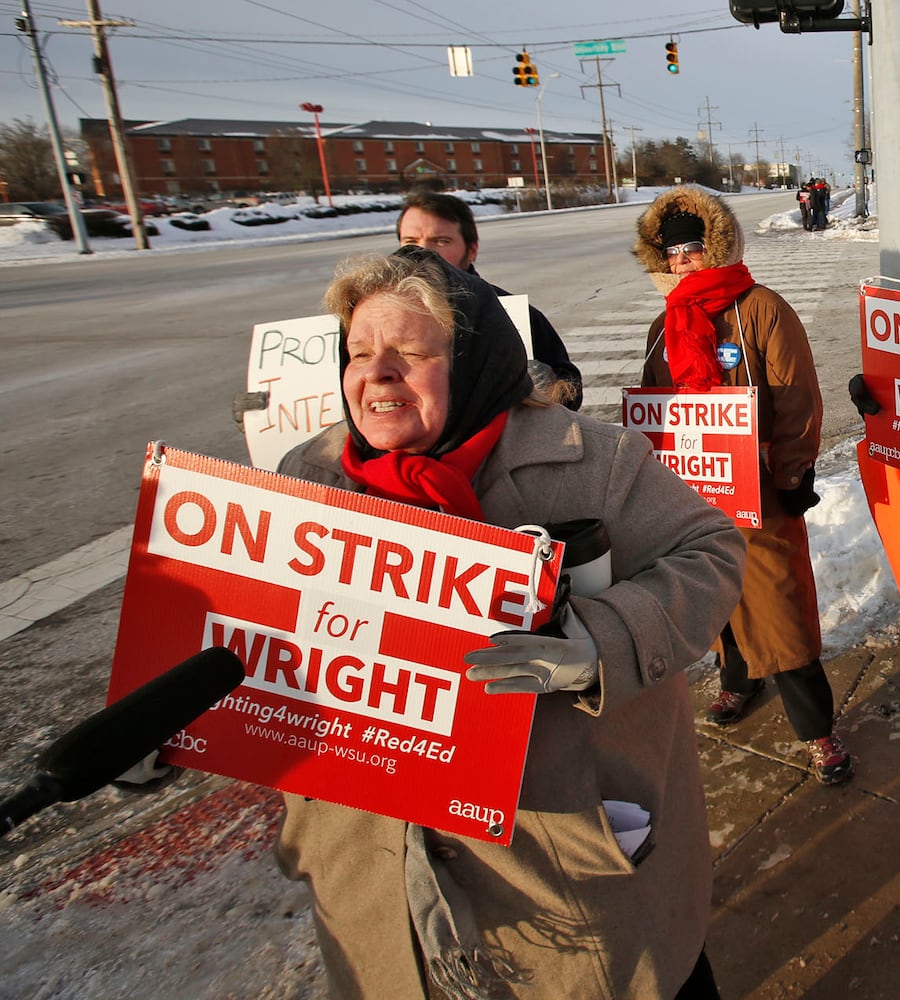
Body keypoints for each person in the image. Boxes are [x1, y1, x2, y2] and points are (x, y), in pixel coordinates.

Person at [273, 245, 746, 998]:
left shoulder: (591, 459)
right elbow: (263, 641)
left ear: (474, 361)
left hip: (564, 864)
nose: (377, 372)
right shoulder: (305, 479)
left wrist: (603, 639)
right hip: (380, 876)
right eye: (359, 352)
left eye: (410, 352)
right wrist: (176, 720)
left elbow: (712, 552)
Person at [633, 187, 853, 785]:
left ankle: (817, 729)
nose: (684, 262)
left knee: (779, 607)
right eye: (674, 253)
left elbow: (796, 394)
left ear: (719, 247)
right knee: (716, 600)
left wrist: (791, 471)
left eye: (694, 249)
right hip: (694, 495)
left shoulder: (760, 308)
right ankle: (737, 682)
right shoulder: (665, 324)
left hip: (759, 492)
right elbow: (654, 409)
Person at [396, 190, 584, 408]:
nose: (424, 251)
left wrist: (550, 387)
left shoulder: (513, 314)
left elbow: (571, 393)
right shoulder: (369, 317)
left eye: (441, 241)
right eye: (411, 240)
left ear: (471, 250)